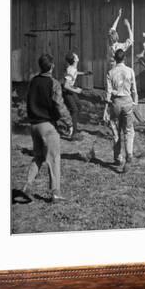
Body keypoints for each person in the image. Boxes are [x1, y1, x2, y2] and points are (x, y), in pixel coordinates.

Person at [21, 53, 72, 203]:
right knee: (54, 159)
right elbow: (59, 105)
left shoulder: (32, 81)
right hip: (47, 127)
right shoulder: (54, 83)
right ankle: (55, 193)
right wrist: (68, 122)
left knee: (38, 157)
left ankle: (27, 187)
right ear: (51, 66)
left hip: (34, 126)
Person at [103, 48, 138, 173]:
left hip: (116, 102)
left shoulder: (110, 72)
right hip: (128, 101)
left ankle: (118, 157)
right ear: (124, 58)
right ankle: (129, 153)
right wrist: (135, 102)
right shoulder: (130, 71)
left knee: (116, 130)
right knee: (129, 130)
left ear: (115, 59)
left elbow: (108, 93)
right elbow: (134, 89)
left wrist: (105, 110)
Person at [62, 51, 92, 140]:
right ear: (75, 59)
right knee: (75, 110)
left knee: (78, 106)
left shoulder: (73, 68)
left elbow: (75, 72)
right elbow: (66, 85)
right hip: (67, 92)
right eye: (76, 56)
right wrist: (76, 90)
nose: (77, 56)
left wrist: (84, 73)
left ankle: (70, 125)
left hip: (70, 90)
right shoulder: (71, 69)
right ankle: (74, 133)